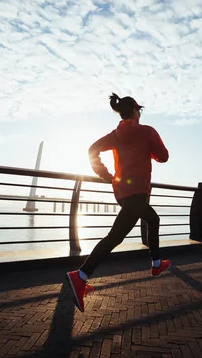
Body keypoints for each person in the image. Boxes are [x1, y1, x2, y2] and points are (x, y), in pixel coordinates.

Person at [66, 93, 171, 312]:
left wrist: (106, 175)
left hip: (122, 192)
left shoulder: (115, 135)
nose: (140, 114)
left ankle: (156, 264)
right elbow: (163, 156)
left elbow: (91, 150)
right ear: (134, 111)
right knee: (116, 236)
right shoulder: (147, 132)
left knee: (153, 218)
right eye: (139, 111)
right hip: (138, 192)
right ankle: (81, 275)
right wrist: (150, 152)